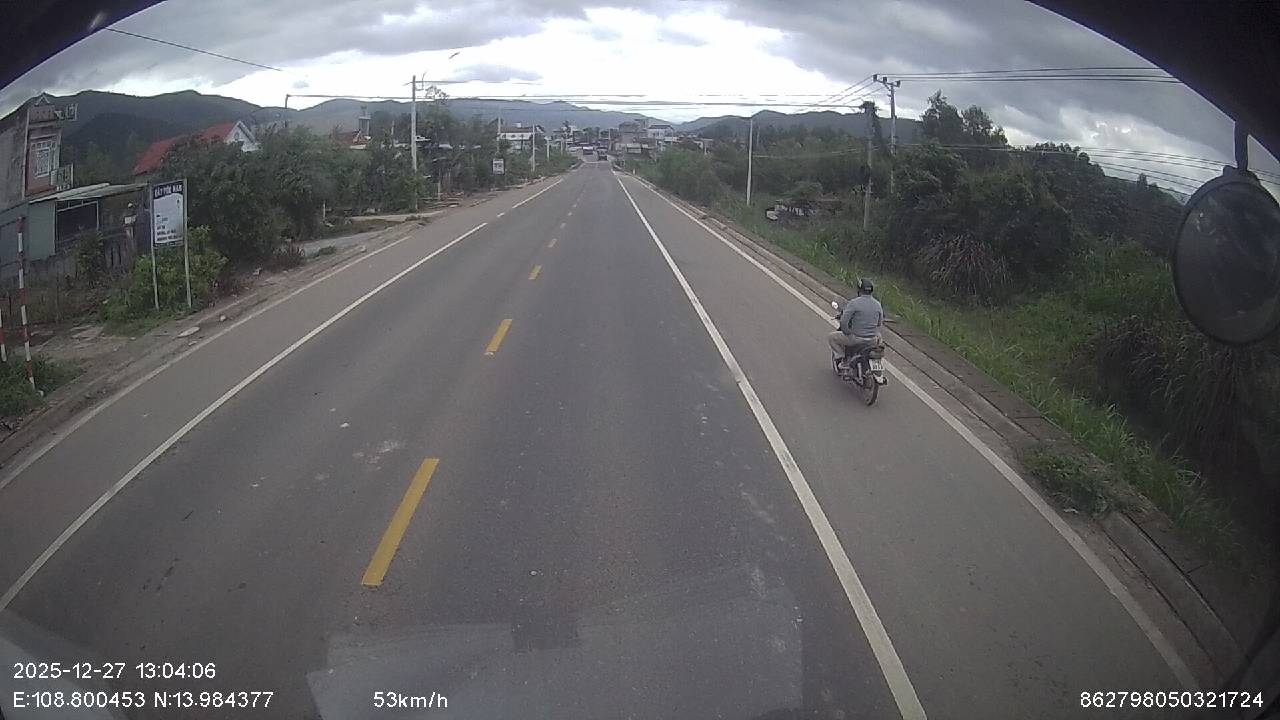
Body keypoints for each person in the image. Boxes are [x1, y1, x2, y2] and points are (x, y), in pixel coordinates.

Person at [828, 277, 883, 369]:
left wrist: (847, 332)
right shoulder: (878, 304)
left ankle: (843, 359)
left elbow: (844, 321)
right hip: (872, 340)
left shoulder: (854, 303)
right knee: (879, 337)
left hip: (856, 339)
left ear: (859, 290)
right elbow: (879, 323)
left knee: (831, 337)